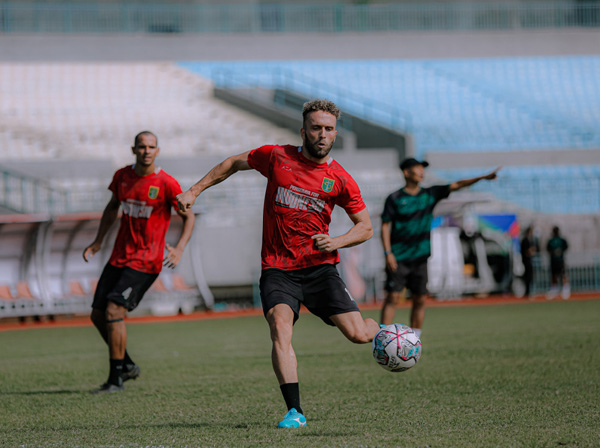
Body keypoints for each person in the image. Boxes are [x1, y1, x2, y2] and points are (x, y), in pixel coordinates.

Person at [176, 99, 380, 429]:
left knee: (358, 335)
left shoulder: (341, 179)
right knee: (279, 327)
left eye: (328, 129)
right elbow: (232, 163)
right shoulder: (276, 156)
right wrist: (194, 190)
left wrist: (337, 241)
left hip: (320, 268)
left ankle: (383, 331)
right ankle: (294, 411)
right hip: (278, 268)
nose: (322, 134)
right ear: (304, 131)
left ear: (335, 134)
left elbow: (366, 227)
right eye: (316, 128)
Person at [83, 131, 195, 394]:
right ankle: (127, 365)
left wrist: (179, 248)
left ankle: (115, 380)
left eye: (151, 147)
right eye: (142, 146)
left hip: (146, 261)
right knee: (97, 315)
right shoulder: (122, 176)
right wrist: (99, 240)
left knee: (113, 311)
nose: (146, 151)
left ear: (158, 151)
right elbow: (112, 207)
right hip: (119, 256)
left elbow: (189, 217)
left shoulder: (167, 183)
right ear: (133, 149)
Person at [380, 159, 500, 337]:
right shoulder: (395, 198)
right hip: (398, 257)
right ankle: (382, 337)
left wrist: (482, 177)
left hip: (421, 257)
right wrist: (388, 252)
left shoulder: (430, 193)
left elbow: (458, 184)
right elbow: (385, 226)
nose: (421, 171)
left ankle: (415, 339)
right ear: (406, 172)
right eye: (417, 168)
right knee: (393, 297)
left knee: (420, 298)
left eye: (423, 168)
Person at [546, 226, 570, 300]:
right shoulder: (551, 240)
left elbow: (566, 247)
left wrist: (560, 251)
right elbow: (548, 248)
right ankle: (554, 290)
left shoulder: (562, 240)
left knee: (563, 274)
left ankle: (566, 290)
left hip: (560, 261)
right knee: (554, 276)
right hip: (553, 261)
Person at [520, 225, 540, 298]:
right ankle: (527, 292)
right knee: (527, 276)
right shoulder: (525, 240)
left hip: (529, 261)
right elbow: (526, 251)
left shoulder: (530, 240)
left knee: (530, 276)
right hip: (526, 261)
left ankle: (529, 291)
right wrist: (531, 251)